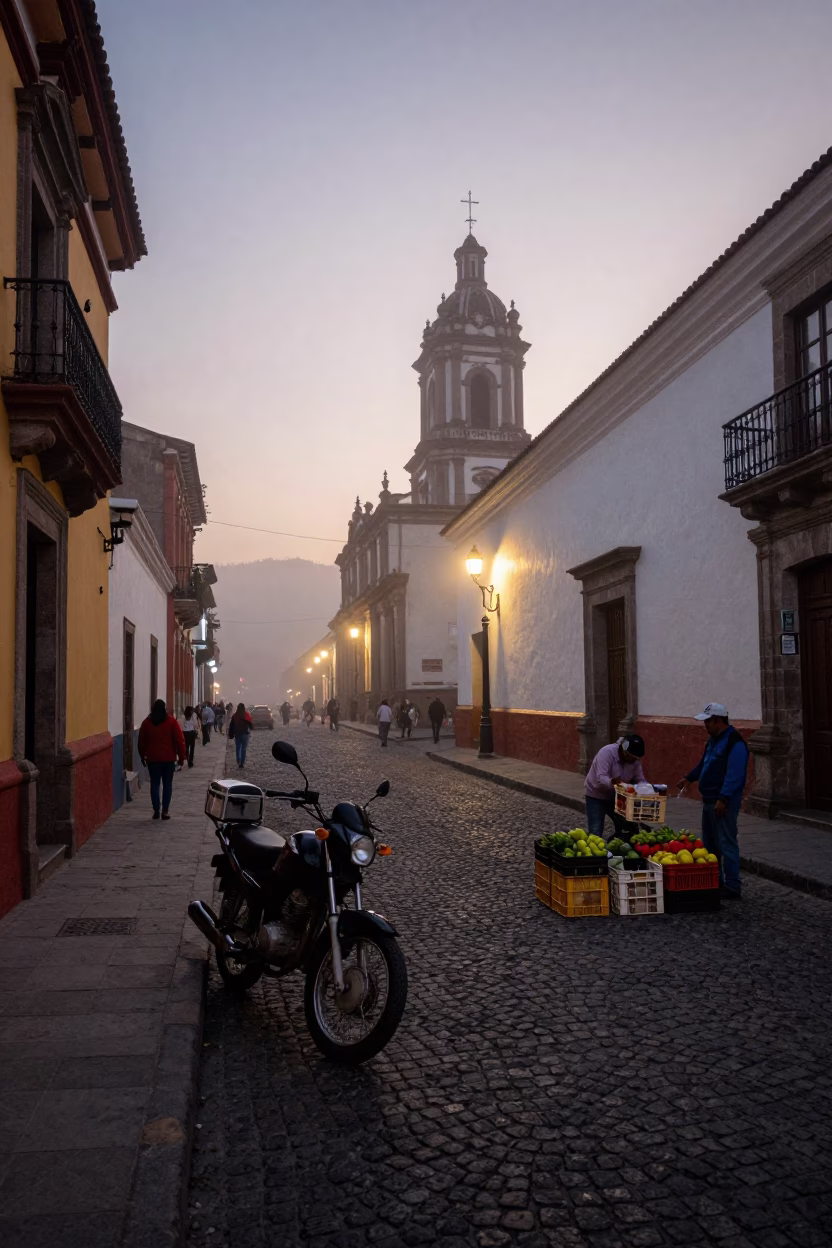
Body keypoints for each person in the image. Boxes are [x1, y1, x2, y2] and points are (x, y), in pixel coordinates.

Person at [679, 702, 749, 900]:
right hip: (709, 800)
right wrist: (689, 778)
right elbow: (704, 764)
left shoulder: (735, 743)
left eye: (708, 722)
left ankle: (733, 885)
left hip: (723, 803)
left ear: (718, 721)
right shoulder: (712, 741)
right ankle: (714, 881)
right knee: (710, 845)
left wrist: (724, 798)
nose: (705, 726)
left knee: (726, 842)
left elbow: (735, 775)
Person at [584, 734, 647, 840]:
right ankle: (594, 854)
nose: (633, 761)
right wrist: (612, 782)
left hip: (618, 797)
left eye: (636, 758)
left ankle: (616, 850)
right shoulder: (606, 753)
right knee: (595, 832)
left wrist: (647, 789)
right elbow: (601, 777)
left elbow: (640, 779)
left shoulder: (635, 761)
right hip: (596, 795)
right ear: (624, 751)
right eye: (631, 757)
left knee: (626, 828)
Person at [138, 699, 185, 820]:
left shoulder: (146, 723)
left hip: (153, 760)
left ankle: (156, 810)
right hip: (168, 760)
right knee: (167, 784)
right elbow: (179, 740)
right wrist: (182, 757)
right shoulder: (171, 722)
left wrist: (142, 755)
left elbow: (141, 742)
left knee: (154, 784)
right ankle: (165, 811)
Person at [228, 702, 253, 768]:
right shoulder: (247, 714)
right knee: (244, 749)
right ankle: (242, 763)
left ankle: (238, 760)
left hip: (237, 734)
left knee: (238, 748)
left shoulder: (234, 715)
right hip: (245, 734)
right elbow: (250, 723)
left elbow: (231, 726)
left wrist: (231, 734)